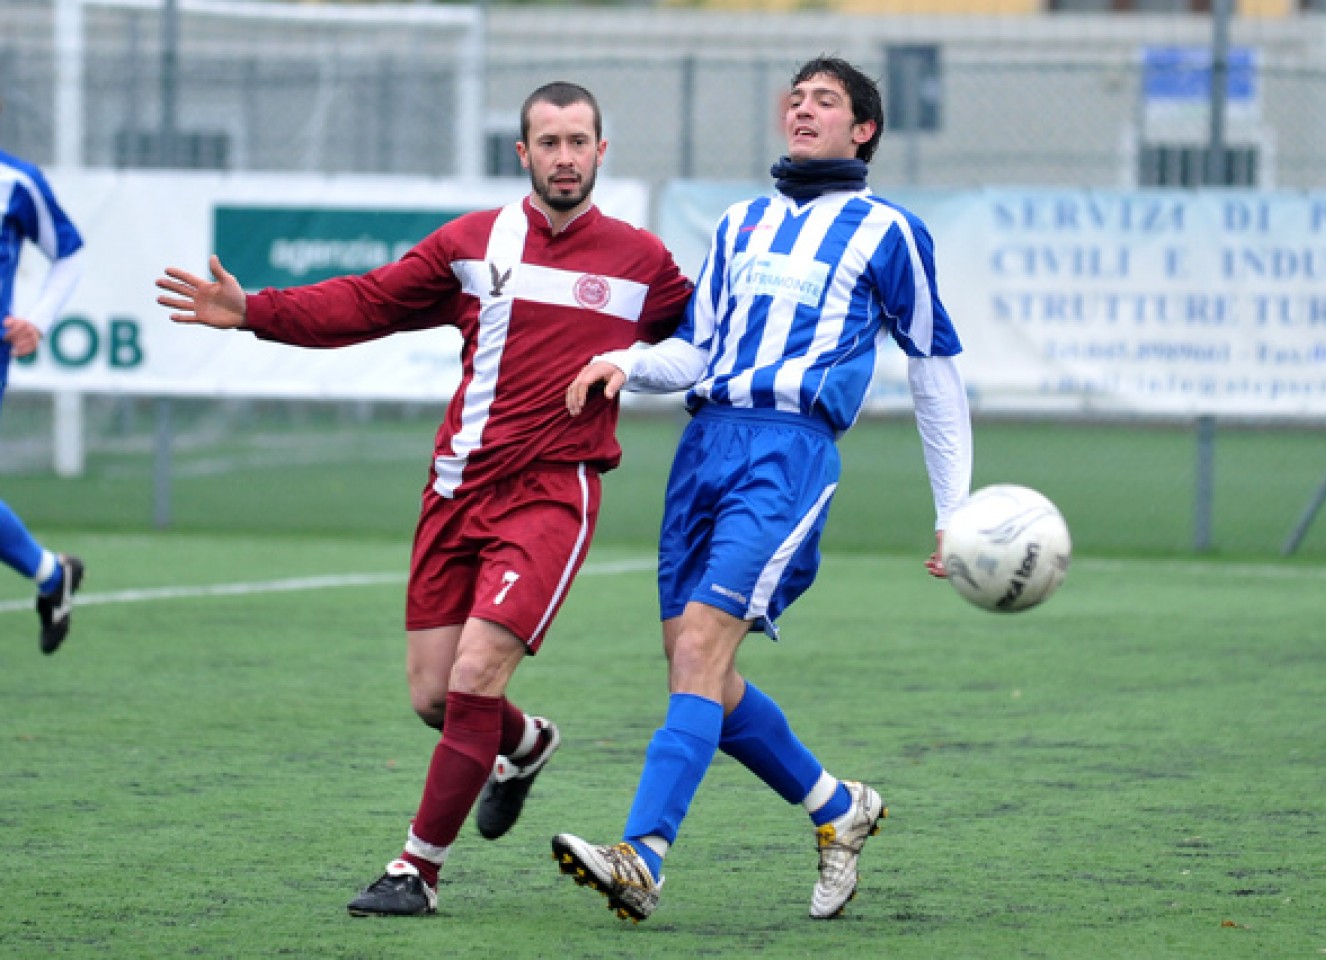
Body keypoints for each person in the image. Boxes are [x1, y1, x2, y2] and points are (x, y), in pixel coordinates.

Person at [155, 81, 693, 915]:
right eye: (547, 142)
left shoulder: (643, 264)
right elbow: (367, 303)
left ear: (601, 152)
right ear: (522, 154)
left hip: (554, 492)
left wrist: (651, 368)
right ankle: (527, 742)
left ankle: (416, 871)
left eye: (577, 141)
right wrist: (254, 310)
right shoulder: (473, 245)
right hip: (454, 494)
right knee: (435, 698)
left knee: (476, 675)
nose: (563, 157)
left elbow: (704, 344)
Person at [554, 56, 973, 922]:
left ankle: (644, 855)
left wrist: (954, 510)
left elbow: (935, 371)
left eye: (826, 100)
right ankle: (836, 807)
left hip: (789, 454)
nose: (803, 108)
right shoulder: (740, 224)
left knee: (703, 649)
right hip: (704, 445)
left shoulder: (886, 231)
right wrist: (625, 363)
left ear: (863, 130)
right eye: (796, 97)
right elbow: (695, 352)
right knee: (698, 669)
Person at [0, 131, 87, 655]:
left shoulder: (15, 181)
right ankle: (52, 574)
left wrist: (37, 319)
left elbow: (70, 253)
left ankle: (52, 575)